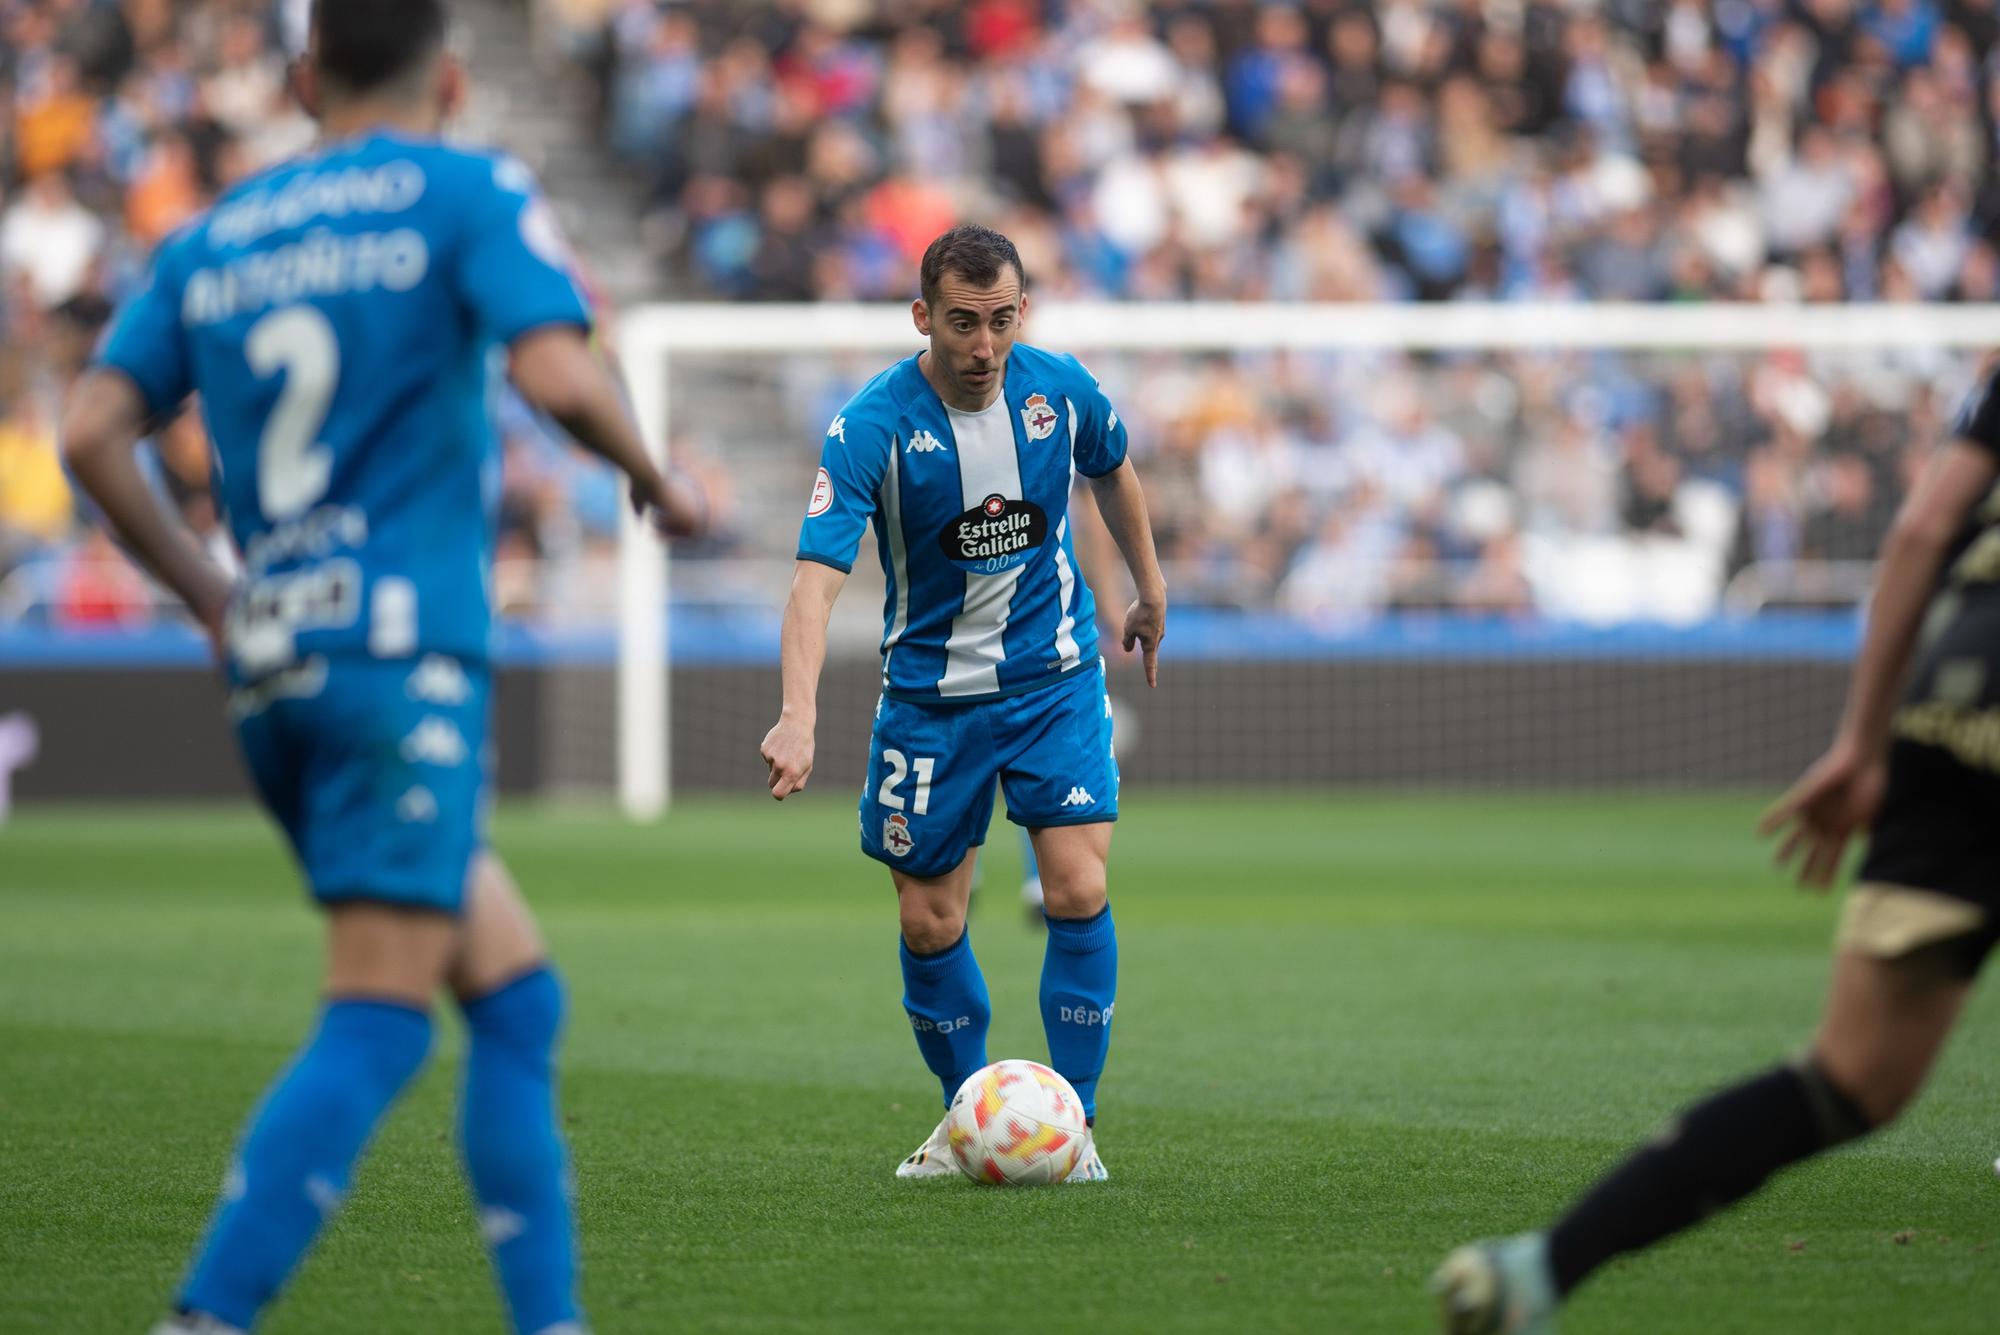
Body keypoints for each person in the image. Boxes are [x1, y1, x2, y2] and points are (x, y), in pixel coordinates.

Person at [59, 3, 703, 1331]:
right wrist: (651, 471)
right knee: (381, 1016)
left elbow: (90, 427)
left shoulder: (215, 234)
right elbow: (557, 372)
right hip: (398, 656)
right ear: (454, 80)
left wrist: (208, 593)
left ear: (304, 80)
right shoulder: (467, 188)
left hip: (279, 667)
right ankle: (207, 1313)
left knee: (517, 998)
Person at [1432, 356, 2000, 1333]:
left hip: (1954, 702)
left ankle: (1538, 1270)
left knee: (1849, 1079)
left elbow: (1917, 530)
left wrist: (1863, 739)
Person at [759, 224, 1166, 1180]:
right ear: (922, 318)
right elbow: (816, 578)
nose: (985, 346)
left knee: (1078, 886)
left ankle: (1074, 1128)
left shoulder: (1059, 387)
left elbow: (1113, 470)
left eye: (1002, 320)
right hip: (931, 703)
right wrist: (799, 712)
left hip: (1053, 681)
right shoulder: (870, 426)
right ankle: (964, 1118)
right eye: (962, 324)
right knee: (930, 922)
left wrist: (1147, 587)